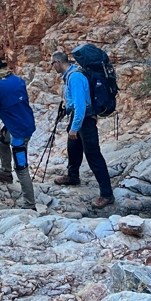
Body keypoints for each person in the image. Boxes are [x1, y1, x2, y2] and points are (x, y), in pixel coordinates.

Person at [50, 50, 114, 207]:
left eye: (52, 64)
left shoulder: (76, 77)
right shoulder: (71, 75)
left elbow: (81, 106)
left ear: (58, 63)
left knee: (93, 155)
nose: (52, 67)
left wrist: (74, 127)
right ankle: (73, 175)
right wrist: (66, 111)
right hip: (80, 118)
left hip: (86, 120)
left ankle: (107, 194)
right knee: (73, 146)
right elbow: (74, 102)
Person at [0, 57, 36, 209]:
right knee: (1, 141)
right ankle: (5, 172)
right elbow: (15, 105)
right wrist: (7, 125)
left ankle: (30, 204)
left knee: (21, 168)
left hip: (18, 132)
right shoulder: (17, 80)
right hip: (25, 123)